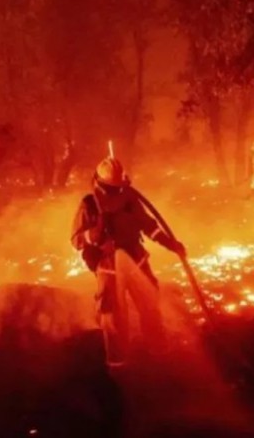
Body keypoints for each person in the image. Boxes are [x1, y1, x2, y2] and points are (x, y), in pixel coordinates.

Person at [71, 157, 185, 368]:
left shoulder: (130, 198)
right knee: (111, 314)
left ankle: (158, 349)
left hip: (136, 259)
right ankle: (117, 362)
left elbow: (149, 226)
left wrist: (170, 243)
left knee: (150, 302)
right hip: (108, 265)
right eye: (111, 188)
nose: (116, 193)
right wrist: (92, 235)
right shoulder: (89, 204)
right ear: (100, 183)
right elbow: (75, 239)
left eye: (118, 188)